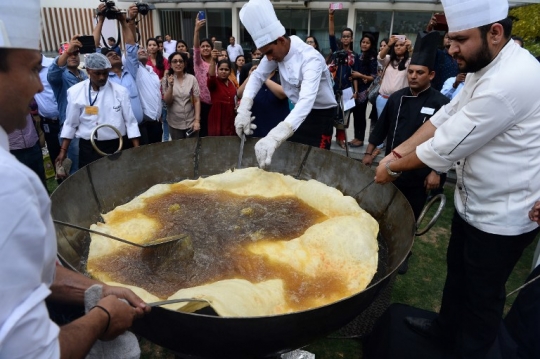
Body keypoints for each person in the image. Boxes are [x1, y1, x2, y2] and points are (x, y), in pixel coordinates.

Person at [373, 0, 540, 357]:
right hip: (473, 203)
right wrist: (395, 153)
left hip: (501, 216)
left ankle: (470, 351)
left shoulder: (509, 81)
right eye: (449, 40)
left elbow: (443, 147)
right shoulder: (488, 65)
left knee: (482, 298)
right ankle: (443, 331)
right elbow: (446, 115)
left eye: (459, 40)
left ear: (495, 33)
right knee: (457, 277)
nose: (449, 49)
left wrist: (392, 167)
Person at [0, 1, 150, 357]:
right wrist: (101, 315)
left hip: (114, 143)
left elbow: (37, 274)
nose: (38, 87)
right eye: (34, 69)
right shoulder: (10, 186)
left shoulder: (117, 90)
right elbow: (32, 352)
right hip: (88, 145)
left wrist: (96, 290)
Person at [236, 0, 337, 168]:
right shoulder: (276, 52)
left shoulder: (310, 58)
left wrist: (275, 136)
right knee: (294, 160)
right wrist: (243, 108)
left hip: (320, 115)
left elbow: (307, 100)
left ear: (281, 40)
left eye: (269, 52)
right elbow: (257, 76)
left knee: (314, 163)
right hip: (294, 111)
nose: (268, 58)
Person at [364, 31, 449, 221]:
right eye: (410, 71)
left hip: (421, 174)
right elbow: (381, 128)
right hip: (391, 168)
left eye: (420, 73)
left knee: (409, 217)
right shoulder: (397, 97)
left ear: (432, 74)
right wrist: (369, 153)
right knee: (384, 213)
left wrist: (437, 172)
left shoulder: (441, 103)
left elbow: (447, 142)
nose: (413, 76)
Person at [57, 53, 141, 169]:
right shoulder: (75, 92)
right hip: (89, 148)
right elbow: (71, 124)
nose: (102, 77)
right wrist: (63, 151)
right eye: (97, 73)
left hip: (117, 145)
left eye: (105, 73)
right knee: (93, 182)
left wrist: (137, 149)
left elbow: (130, 122)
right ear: (88, 71)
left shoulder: (120, 91)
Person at [48, 37, 89, 176]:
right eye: (69, 54)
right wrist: (67, 52)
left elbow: (88, 102)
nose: (73, 56)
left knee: (88, 166)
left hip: (87, 127)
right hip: (71, 131)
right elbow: (53, 73)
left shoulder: (84, 75)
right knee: (76, 171)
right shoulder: (61, 76)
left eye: (75, 54)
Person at [328, 8, 358, 149]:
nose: (346, 38)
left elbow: (355, 74)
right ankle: (328, 136)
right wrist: (331, 16)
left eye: (348, 36)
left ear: (352, 39)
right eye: (344, 36)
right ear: (341, 38)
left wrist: (356, 91)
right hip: (334, 87)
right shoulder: (335, 51)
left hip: (347, 88)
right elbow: (331, 34)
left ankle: (340, 138)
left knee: (344, 115)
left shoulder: (355, 56)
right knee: (332, 113)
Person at [162, 52, 201, 140]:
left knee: (193, 149)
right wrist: (171, 86)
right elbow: (167, 101)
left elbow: (197, 100)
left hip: (191, 122)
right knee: (179, 150)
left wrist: (197, 121)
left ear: (185, 63)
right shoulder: (166, 79)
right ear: (170, 64)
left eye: (181, 61)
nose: (178, 64)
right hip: (174, 123)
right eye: (175, 61)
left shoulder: (192, 78)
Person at [349, 34, 378, 148]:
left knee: (361, 115)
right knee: (356, 115)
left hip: (366, 91)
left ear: (371, 45)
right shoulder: (358, 56)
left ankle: (360, 139)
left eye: (367, 42)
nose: (364, 44)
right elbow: (354, 74)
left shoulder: (372, 58)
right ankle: (356, 137)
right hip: (357, 90)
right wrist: (355, 91)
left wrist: (361, 75)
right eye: (363, 42)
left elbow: (374, 77)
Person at [376, 35, 412, 118]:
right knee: (382, 127)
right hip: (383, 99)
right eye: (396, 45)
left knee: (396, 126)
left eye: (401, 45)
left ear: (406, 47)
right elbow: (380, 57)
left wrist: (411, 47)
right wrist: (388, 45)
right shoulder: (388, 59)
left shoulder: (410, 62)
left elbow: (418, 61)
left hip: (400, 101)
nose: (398, 47)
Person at [135, 46, 163, 144]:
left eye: (144, 50)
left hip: (157, 121)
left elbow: (156, 93)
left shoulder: (152, 72)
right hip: (144, 123)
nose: (142, 50)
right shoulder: (135, 69)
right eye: (139, 49)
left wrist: (159, 113)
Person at [426, 16, 460, 92]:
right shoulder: (438, 54)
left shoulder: (461, 56)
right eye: (447, 37)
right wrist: (429, 28)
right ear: (443, 40)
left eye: (452, 38)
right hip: (437, 93)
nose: (449, 40)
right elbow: (427, 45)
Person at [208, 51, 237, 136]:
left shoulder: (232, 83)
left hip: (230, 117)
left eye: (226, 69)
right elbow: (211, 76)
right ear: (217, 70)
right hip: (217, 117)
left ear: (230, 71)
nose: (223, 71)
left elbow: (236, 97)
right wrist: (213, 60)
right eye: (221, 69)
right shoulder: (214, 82)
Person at [193, 18, 214, 137]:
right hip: (203, 104)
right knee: (204, 132)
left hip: (215, 102)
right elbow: (195, 48)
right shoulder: (198, 63)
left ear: (212, 48)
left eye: (208, 46)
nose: (205, 48)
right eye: (203, 46)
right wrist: (196, 31)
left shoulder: (216, 64)